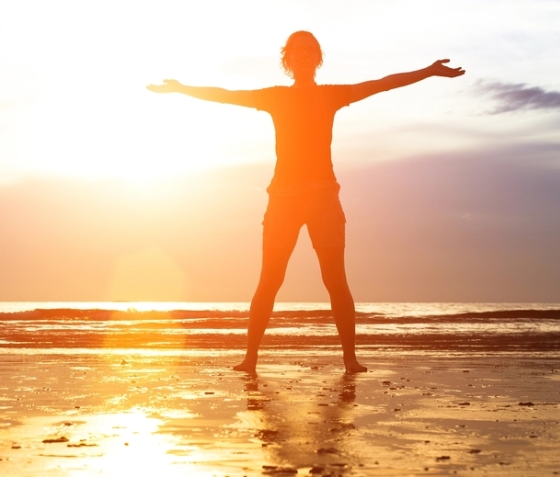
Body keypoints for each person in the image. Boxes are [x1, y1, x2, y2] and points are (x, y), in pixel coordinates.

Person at [148, 31, 465, 374]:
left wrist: (428, 71)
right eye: (296, 51)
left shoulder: (331, 96)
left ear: (317, 58)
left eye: (309, 50)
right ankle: (250, 359)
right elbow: (227, 96)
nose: (302, 55)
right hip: (282, 199)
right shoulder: (274, 98)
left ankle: (350, 360)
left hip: (323, 199)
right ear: (288, 59)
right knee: (269, 279)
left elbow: (382, 84)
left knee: (335, 280)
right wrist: (182, 88)